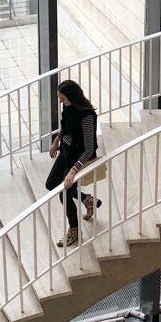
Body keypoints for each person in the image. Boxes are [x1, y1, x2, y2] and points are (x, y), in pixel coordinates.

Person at [45, 79, 101, 248]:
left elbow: (89, 149)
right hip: (66, 152)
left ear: (72, 97)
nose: (61, 102)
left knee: (64, 193)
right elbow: (65, 127)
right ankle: (87, 199)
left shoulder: (87, 115)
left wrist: (73, 171)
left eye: (63, 99)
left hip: (79, 157)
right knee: (51, 184)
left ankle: (74, 231)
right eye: (60, 99)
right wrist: (56, 141)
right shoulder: (68, 107)